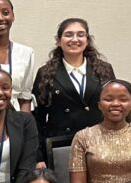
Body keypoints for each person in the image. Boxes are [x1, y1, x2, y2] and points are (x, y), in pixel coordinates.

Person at [32, 18, 115, 165]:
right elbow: (37, 118)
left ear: (87, 40)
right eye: (69, 34)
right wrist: (39, 157)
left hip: (100, 143)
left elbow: (115, 106)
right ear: (58, 40)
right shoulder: (45, 73)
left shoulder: (104, 70)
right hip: (61, 146)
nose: (75, 39)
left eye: (80, 34)